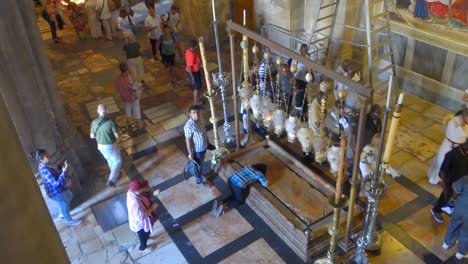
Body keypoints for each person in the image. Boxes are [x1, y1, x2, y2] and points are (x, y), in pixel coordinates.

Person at [30, 149, 82, 226]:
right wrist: (64, 172)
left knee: (69, 196)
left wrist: (62, 170)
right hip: (55, 191)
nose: (49, 156)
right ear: (41, 159)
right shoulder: (44, 169)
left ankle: (62, 213)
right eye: (47, 156)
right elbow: (55, 184)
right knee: (64, 204)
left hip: (59, 188)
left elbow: (55, 173)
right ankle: (69, 221)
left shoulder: (45, 164)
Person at [431, 139, 468, 223]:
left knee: (456, 198)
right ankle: (436, 210)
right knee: (445, 197)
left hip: (461, 181)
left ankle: (450, 207)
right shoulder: (451, 154)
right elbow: (443, 171)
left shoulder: (465, 153)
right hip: (451, 182)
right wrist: (445, 187)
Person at [428, 109, 468, 184]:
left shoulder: (463, 122)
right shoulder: (453, 122)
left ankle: (448, 179)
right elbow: (464, 135)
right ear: (465, 117)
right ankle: (434, 179)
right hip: (449, 145)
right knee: (441, 162)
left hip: (457, 147)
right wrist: (461, 126)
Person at [90, 104, 122, 187]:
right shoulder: (110, 122)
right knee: (118, 160)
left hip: (100, 146)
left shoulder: (94, 122)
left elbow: (92, 136)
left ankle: (115, 174)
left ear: (98, 111)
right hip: (110, 145)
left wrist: (100, 135)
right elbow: (117, 136)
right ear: (107, 111)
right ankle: (112, 179)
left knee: (110, 160)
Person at [127, 179, 159, 251]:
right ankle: (143, 247)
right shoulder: (134, 203)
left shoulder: (131, 191)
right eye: (143, 187)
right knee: (143, 235)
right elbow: (140, 217)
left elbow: (143, 192)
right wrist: (153, 207)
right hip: (140, 224)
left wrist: (149, 191)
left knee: (147, 232)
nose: (146, 188)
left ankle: (147, 236)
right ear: (138, 191)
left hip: (144, 218)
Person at [442, 175, 468, 259]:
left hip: (459, 208)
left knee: (453, 225)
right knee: (466, 234)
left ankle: (447, 243)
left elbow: (456, 190)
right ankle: (460, 253)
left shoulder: (466, 178)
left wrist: (452, 199)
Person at [184, 105, 208, 184]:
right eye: (193, 113)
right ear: (190, 114)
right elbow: (188, 141)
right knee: (197, 164)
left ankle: (199, 172)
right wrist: (190, 153)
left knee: (201, 161)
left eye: (197, 112)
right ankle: (198, 176)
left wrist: (208, 142)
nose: (196, 114)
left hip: (204, 146)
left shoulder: (201, 119)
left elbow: (204, 132)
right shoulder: (188, 126)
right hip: (197, 149)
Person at [115, 62, 143, 127]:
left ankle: (128, 121)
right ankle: (139, 123)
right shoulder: (132, 77)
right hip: (134, 97)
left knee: (127, 108)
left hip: (125, 98)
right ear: (127, 69)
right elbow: (139, 85)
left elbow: (118, 90)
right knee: (136, 109)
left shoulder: (118, 80)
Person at [291, 44, 310, 117]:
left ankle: (304, 110)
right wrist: (293, 79)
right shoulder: (296, 58)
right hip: (297, 79)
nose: (305, 52)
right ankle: (298, 111)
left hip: (304, 80)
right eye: (304, 50)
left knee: (304, 95)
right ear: (301, 50)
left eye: (306, 50)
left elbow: (309, 69)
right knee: (299, 95)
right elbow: (292, 67)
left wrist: (309, 77)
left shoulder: (308, 58)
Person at [185, 40, 203, 105]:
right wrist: (193, 79)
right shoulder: (191, 54)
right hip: (193, 73)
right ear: (195, 46)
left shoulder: (190, 51)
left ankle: (198, 100)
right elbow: (189, 67)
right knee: (196, 88)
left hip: (196, 71)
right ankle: (195, 103)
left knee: (198, 86)